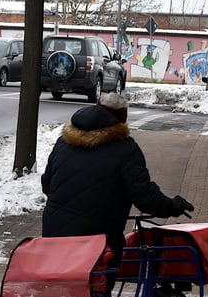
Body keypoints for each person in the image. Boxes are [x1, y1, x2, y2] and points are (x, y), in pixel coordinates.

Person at [40, 92, 193, 264]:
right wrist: (173, 206)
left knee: (60, 284)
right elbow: (145, 198)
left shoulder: (64, 141)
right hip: (98, 240)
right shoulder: (126, 150)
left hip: (54, 233)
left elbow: (47, 184)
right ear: (121, 119)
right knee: (97, 284)